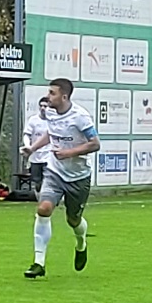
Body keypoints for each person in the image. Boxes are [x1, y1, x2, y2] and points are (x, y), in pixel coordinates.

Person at [24, 78, 99, 279]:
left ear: (64, 96)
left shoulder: (81, 117)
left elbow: (95, 144)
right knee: (44, 208)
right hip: (54, 172)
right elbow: (51, 133)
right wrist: (32, 148)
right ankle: (38, 262)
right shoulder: (49, 112)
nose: (48, 97)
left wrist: (69, 153)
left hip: (78, 176)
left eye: (52, 93)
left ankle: (81, 243)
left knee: (73, 219)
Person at [21, 98, 51, 195]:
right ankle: (40, 199)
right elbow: (27, 135)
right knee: (37, 182)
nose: (43, 108)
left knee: (49, 180)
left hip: (49, 156)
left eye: (45, 106)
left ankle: (48, 199)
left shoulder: (53, 121)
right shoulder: (33, 120)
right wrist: (27, 146)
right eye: (41, 106)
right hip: (36, 157)